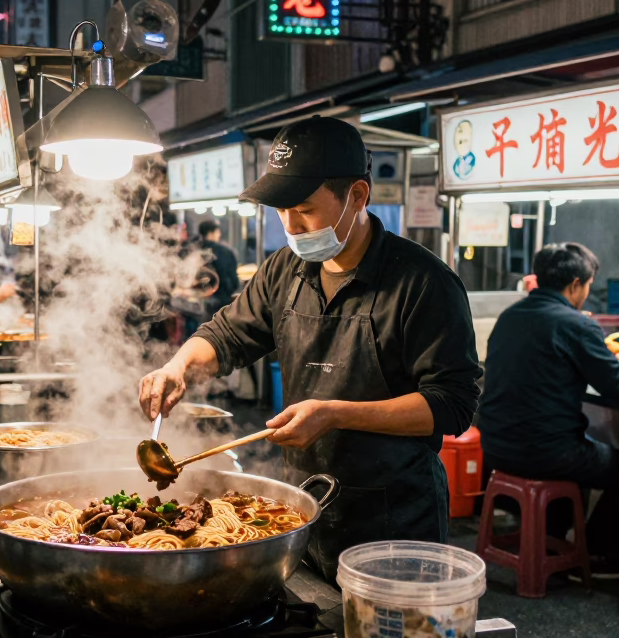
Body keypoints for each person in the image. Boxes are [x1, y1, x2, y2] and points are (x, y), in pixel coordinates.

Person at [137, 116, 481, 585]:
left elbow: (453, 404)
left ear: (357, 196)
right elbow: (226, 336)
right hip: (303, 506)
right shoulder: (284, 269)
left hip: (394, 521)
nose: (291, 226)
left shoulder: (423, 283)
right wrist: (178, 366)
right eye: (281, 211)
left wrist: (336, 413)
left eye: (304, 208)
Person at [478, 242, 619, 578]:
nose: (587, 293)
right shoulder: (576, 324)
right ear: (575, 283)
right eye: (589, 285)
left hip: (496, 449)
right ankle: (591, 554)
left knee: (572, 447)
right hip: (545, 454)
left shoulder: (510, 317)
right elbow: (618, 384)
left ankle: (555, 542)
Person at [198, 220, 240, 317]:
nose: (219, 235)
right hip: (221, 304)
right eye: (218, 232)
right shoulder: (225, 252)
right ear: (211, 233)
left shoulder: (193, 250)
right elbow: (234, 282)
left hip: (197, 305)